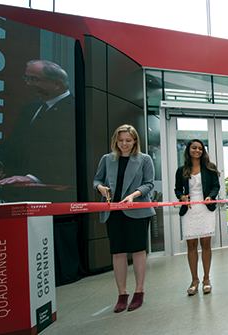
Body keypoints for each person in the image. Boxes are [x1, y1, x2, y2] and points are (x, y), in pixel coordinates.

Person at [93, 124, 154, 313]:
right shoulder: (106, 159)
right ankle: (122, 294)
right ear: (115, 141)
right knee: (117, 252)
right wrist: (100, 188)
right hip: (113, 212)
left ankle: (139, 291)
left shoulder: (144, 159)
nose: (124, 144)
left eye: (128, 140)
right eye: (120, 140)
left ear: (135, 140)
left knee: (137, 251)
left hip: (136, 211)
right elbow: (97, 180)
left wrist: (134, 196)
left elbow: (149, 183)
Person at [0, 60, 75, 199]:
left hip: (51, 194)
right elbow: (14, 142)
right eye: (27, 78)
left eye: (34, 80)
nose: (28, 84)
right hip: (17, 190)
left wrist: (34, 177)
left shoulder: (76, 110)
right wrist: (0, 163)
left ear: (57, 84)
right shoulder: (31, 107)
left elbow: (67, 156)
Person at [174, 139, 220, 295]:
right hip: (189, 210)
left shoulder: (209, 168)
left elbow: (216, 187)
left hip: (205, 209)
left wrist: (211, 197)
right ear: (188, 150)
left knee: (206, 243)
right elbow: (177, 190)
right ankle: (194, 279)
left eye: (200, 148)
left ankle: (207, 278)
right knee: (191, 245)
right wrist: (181, 197)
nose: (197, 150)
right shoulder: (181, 170)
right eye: (194, 148)